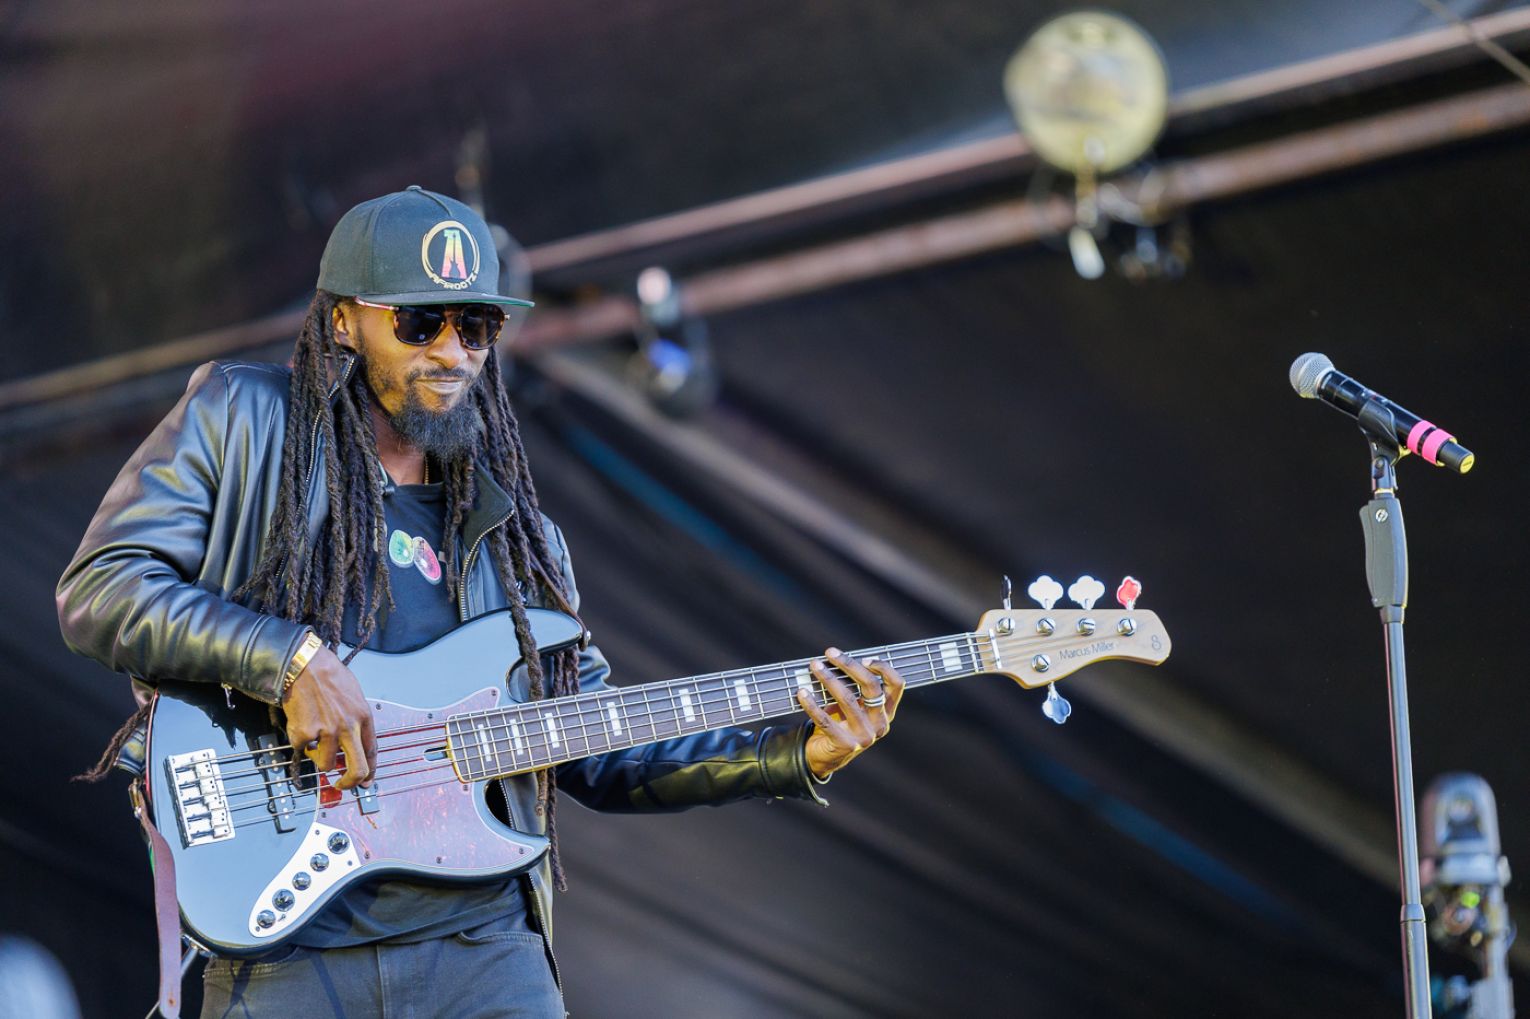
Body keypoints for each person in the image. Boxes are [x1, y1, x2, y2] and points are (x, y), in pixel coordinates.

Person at [56, 186, 904, 1018]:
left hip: (482, 957)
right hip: (286, 956)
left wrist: (796, 754)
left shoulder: (521, 539)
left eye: (478, 325)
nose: (454, 351)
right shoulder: (242, 418)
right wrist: (287, 661)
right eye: (421, 321)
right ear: (344, 319)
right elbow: (102, 589)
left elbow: (598, 747)